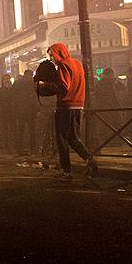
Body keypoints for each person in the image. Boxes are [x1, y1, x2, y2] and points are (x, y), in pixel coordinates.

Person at [39, 43, 98, 179]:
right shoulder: (77, 64)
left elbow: (64, 86)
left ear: (58, 53)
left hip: (66, 105)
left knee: (62, 138)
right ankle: (89, 160)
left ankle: (66, 170)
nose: (51, 58)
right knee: (73, 137)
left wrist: (45, 85)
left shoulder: (63, 65)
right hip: (78, 105)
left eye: (52, 55)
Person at [13, 70, 39, 156]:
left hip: (21, 111)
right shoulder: (32, 84)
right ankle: (33, 149)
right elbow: (35, 97)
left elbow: (14, 98)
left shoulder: (17, 83)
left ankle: (20, 149)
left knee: (21, 131)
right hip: (30, 111)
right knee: (31, 130)